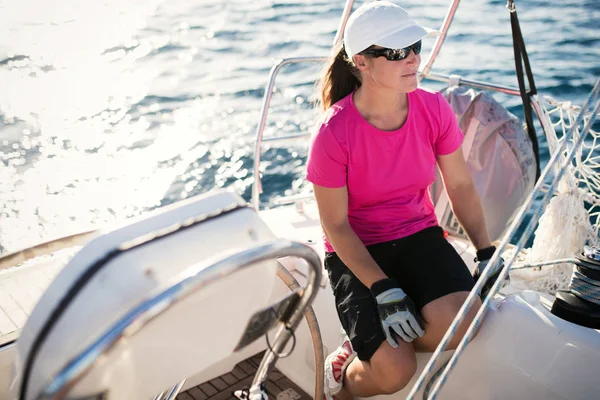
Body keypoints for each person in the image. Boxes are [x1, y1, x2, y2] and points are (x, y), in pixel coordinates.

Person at [305, 2, 501, 399]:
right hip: (356, 250)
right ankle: (343, 382)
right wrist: (382, 289)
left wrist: (484, 250)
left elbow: (460, 186)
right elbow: (336, 226)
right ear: (361, 61)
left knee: (467, 322)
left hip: (418, 234)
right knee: (394, 372)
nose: (412, 59)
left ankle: (369, 344)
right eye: (396, 53)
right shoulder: (332, 133)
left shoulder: (433, 109)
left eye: (414, 46)